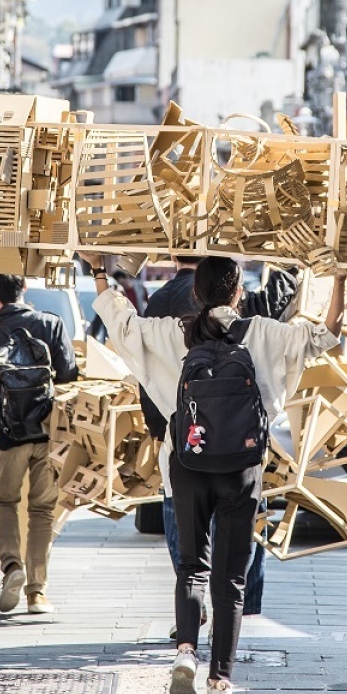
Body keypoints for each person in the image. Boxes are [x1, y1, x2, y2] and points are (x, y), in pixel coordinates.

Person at [84, 251, 344, 694]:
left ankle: (186, 651)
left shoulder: (170, 333)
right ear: (238, 292)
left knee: (191, 566)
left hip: (186, 462)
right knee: (231, 579)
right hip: (241, 467)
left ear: (196, 293)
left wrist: (97, 270)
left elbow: (118, 318)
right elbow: (326, 335)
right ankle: (220, 682)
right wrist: (338, 277)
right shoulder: (263, 332)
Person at [142, 257, 299, 623]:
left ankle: (191, 608)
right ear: (236, 290)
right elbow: (275, 313)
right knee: (239, 527)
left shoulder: (159, 303)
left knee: (184, 528)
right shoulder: (240, 308)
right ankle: (242, 609)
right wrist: (290, 268)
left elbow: (144, 365)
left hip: (185, 438)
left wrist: (159, 426)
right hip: (237, 440)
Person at [0, 272, 77, 615]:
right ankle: (37, 593)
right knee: (42, 511)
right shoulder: (52, 324)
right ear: (26, 288)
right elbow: (67, 373)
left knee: (4, 501)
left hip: (8, 434)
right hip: (49, 433)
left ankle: (11, 567)